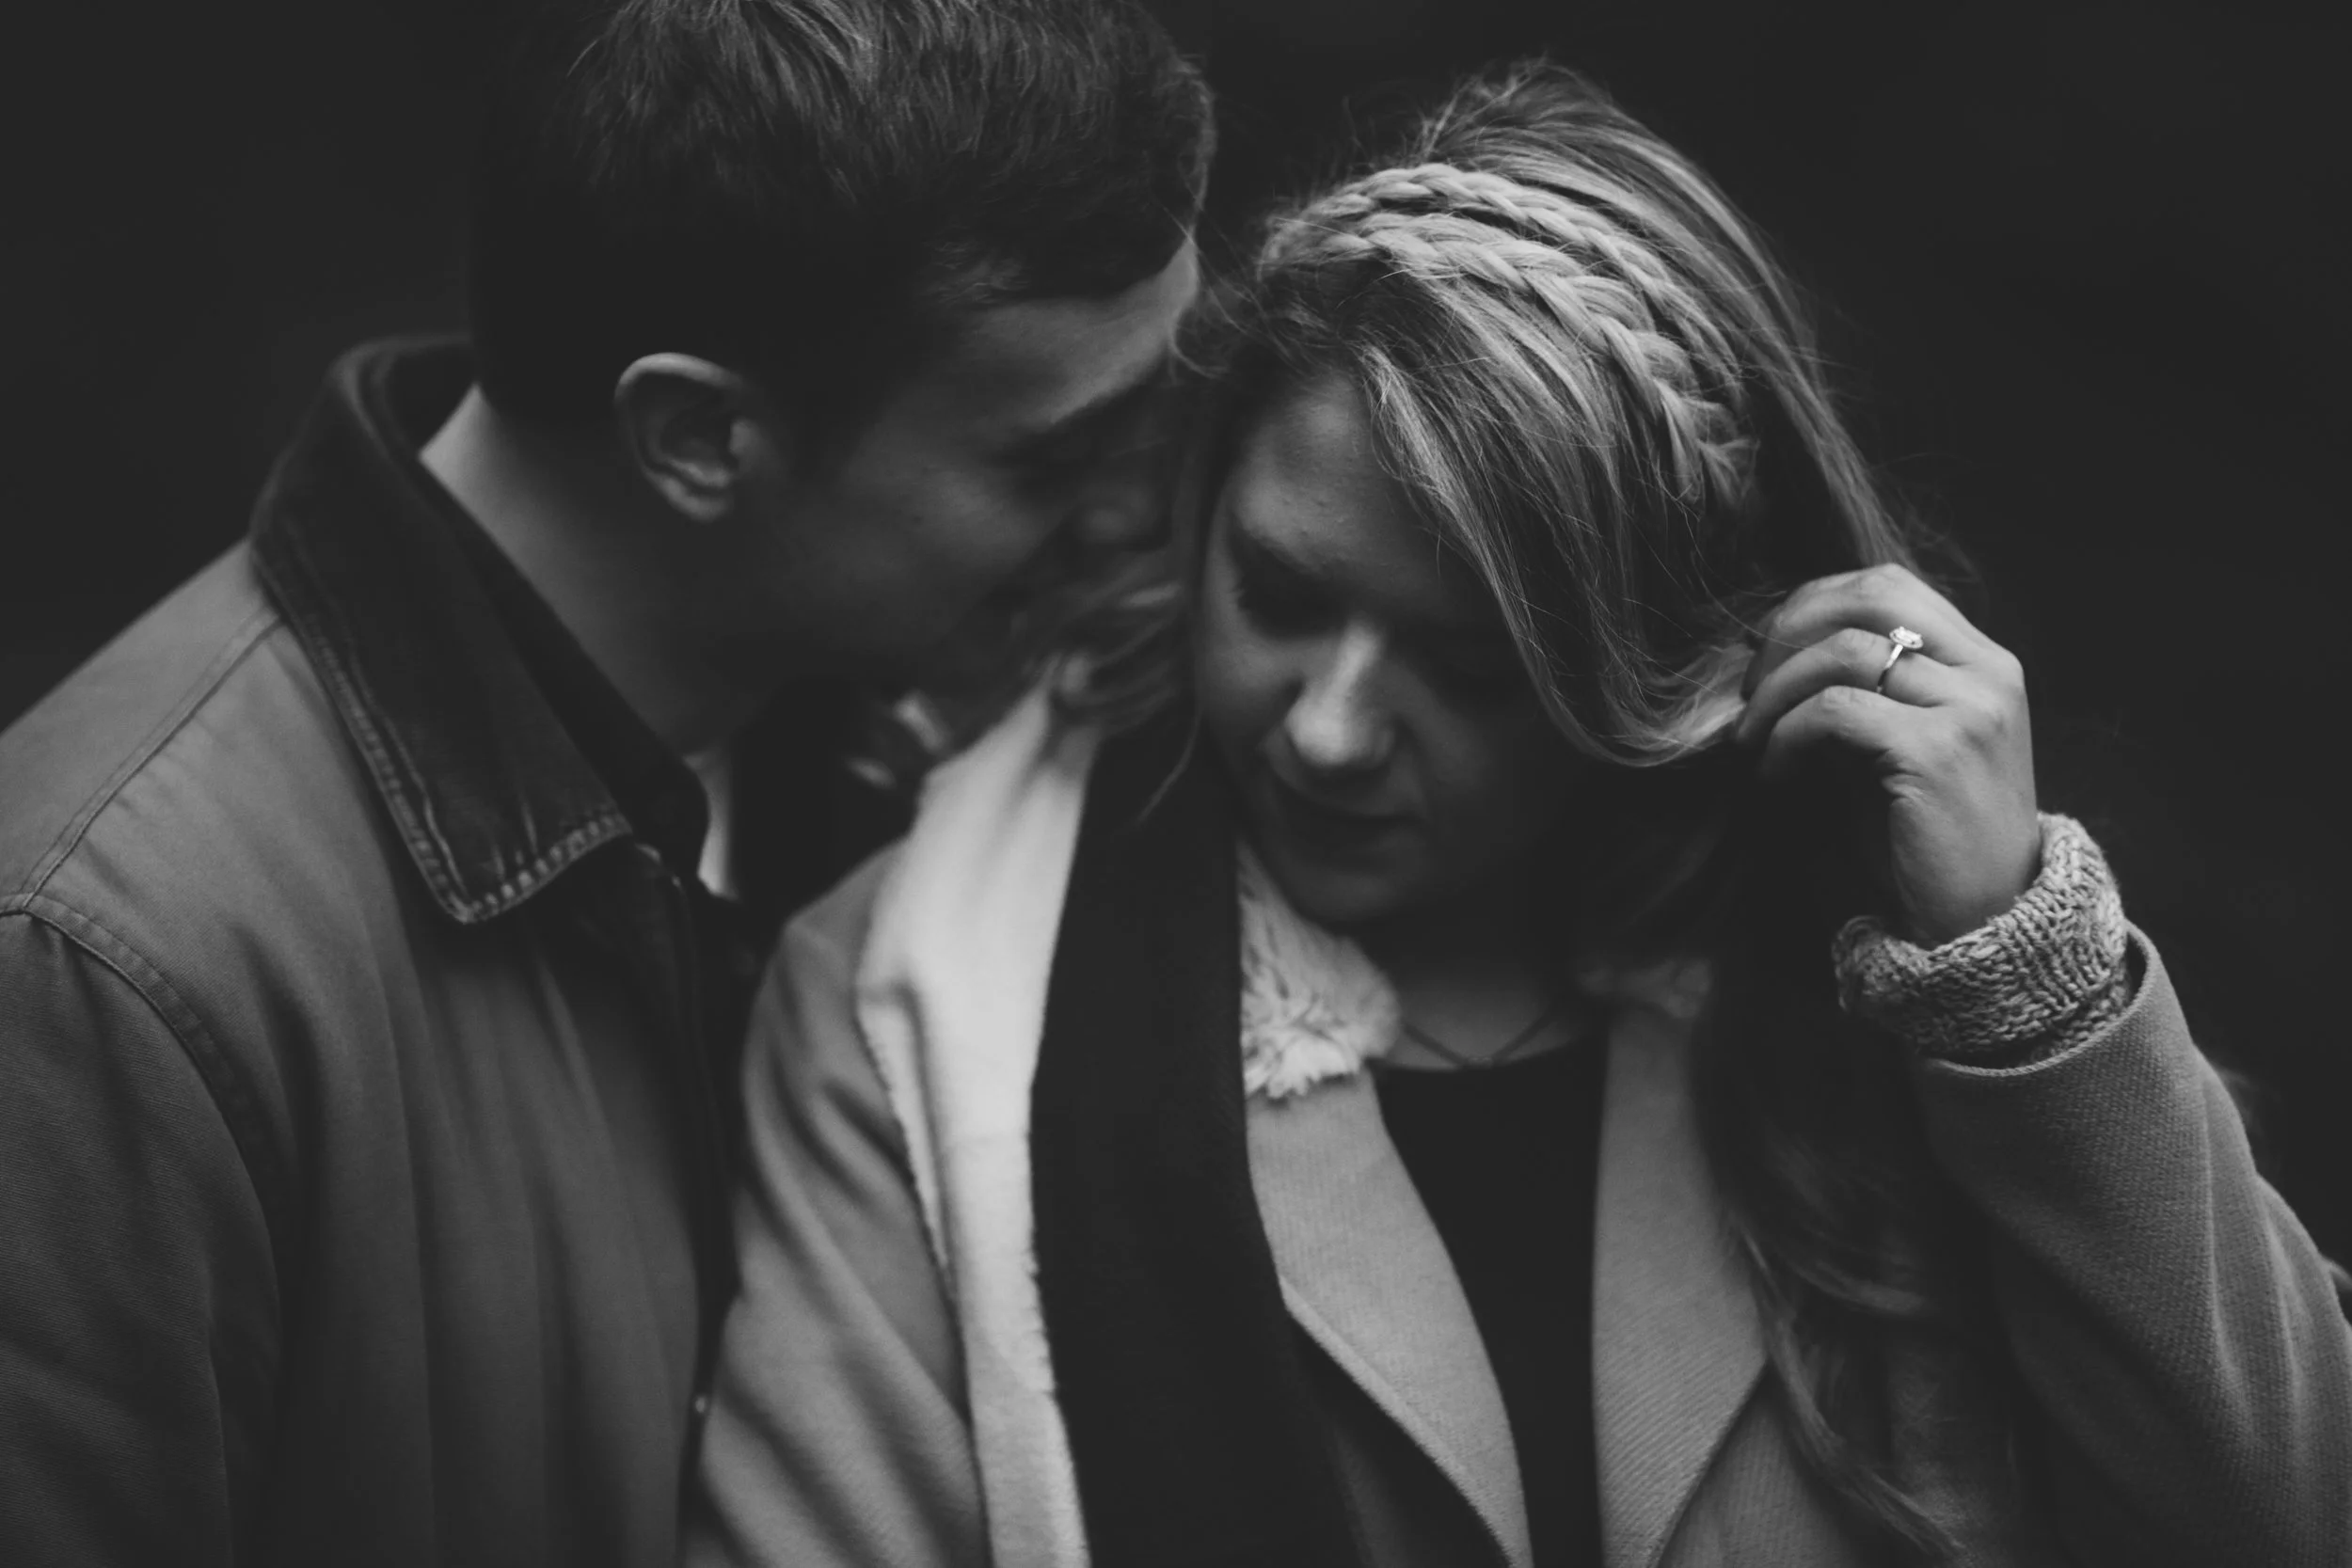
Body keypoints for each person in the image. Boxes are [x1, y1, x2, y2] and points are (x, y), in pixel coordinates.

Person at [690, 61, 2352, 1568]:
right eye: (1276, 587)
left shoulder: (1895, 977)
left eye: (1472, 667)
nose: (1329, 729)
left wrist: (2020, 975)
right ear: (1197, 502)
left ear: (1662, 664)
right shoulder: (918, 994)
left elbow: (2283, 1512)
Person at [0, 2, 1209, 1563]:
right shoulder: (104, 976)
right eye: (1052, 460)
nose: (1145, 517)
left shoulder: (937, 754)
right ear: (700, 436)